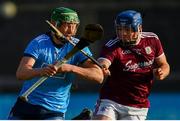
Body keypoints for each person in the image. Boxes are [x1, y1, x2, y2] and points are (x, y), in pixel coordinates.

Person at [8, 7, 103, 120]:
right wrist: (41, 71)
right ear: (55, 24)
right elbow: (21, 73)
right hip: (26, 105)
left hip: (54, 110)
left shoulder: (79, 46)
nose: (71, 31)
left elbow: (99, 76)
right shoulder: (39, 43)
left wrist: (70, 68)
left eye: (75, 26)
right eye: (67, 25)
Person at [93, 10, 170, 120]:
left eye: (127, 30)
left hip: (138, 105)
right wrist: (102, 68)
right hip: (111, 100)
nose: (122, 34)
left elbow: (164, 64)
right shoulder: (112, 45)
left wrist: (162, 72)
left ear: (139, 28)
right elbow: (103, 63)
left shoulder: (152, 40)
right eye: (119, 29)